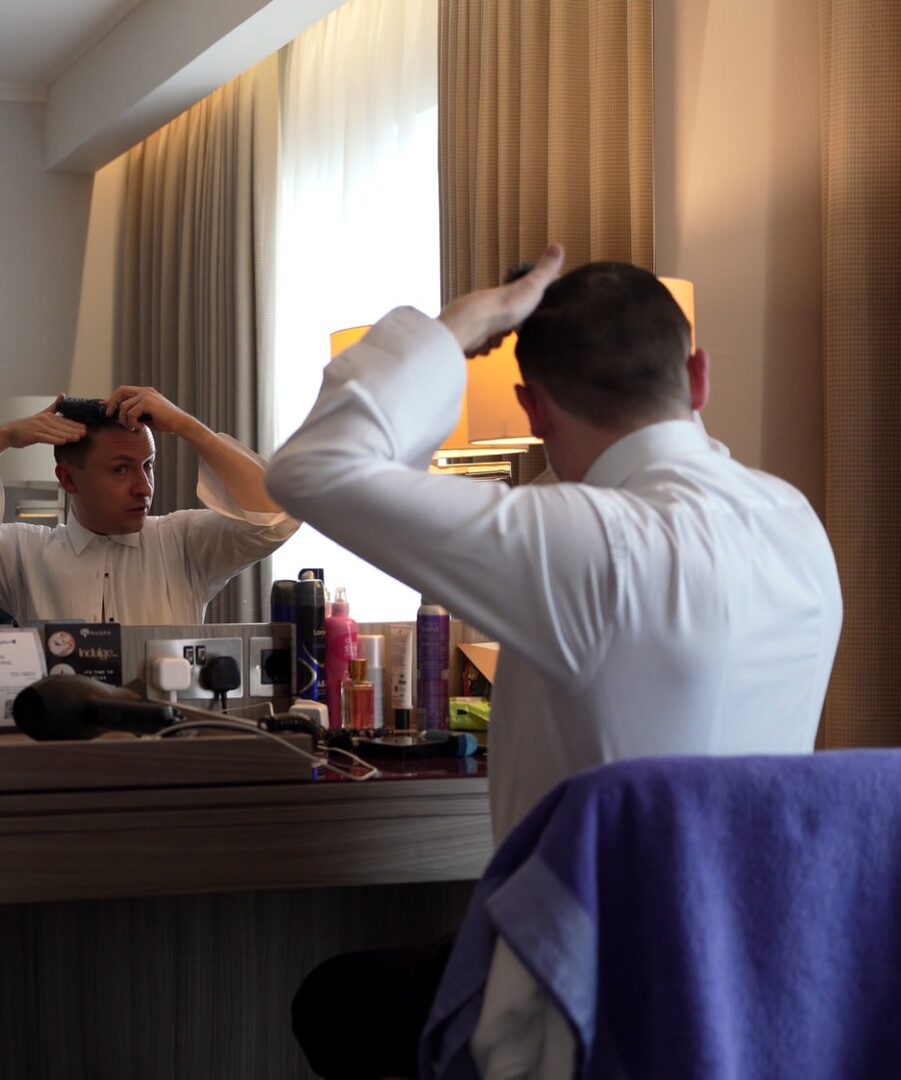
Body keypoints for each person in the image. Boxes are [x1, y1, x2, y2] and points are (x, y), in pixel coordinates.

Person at [267, 245, 842, 1079]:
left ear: (532, 408)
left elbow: (311, 467)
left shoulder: (591, 546)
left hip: (582, 1002)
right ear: (700, 378)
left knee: (335, 1003)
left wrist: (460, 327)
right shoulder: (794, 521)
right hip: (759, 985)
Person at [0, 387, 299, 624]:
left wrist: (188, 427)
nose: (144, 488)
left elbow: (277, 519)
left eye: (149, 466)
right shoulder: (24, 555)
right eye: (122, 470)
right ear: (68, 479)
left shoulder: (186, 544)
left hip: (169, 751)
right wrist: (3, 438)